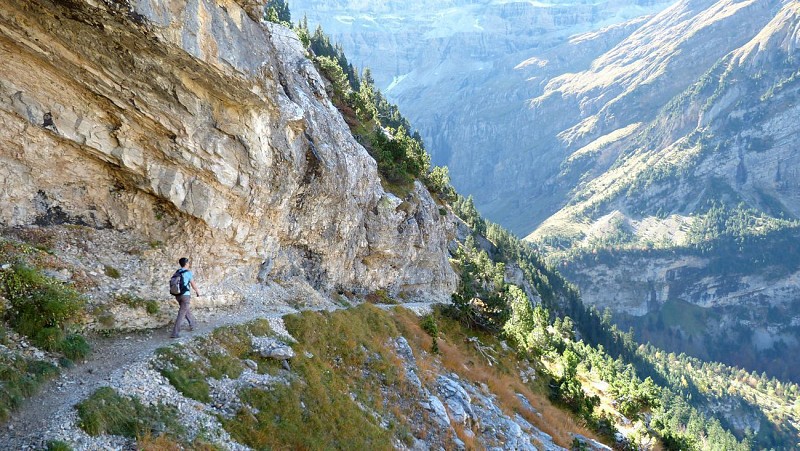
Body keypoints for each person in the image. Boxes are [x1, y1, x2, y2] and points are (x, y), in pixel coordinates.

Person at [171, 257, 200, 338]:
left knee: (185, 309)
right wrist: (197, 291)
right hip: (185, 295)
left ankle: (192, 324)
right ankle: (175, 333)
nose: (189, 264)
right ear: (186, 263)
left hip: (177, 295)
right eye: (188, 263)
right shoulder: (188, 273)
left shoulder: (177, 272)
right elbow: (193, 284)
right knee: (181, 313)